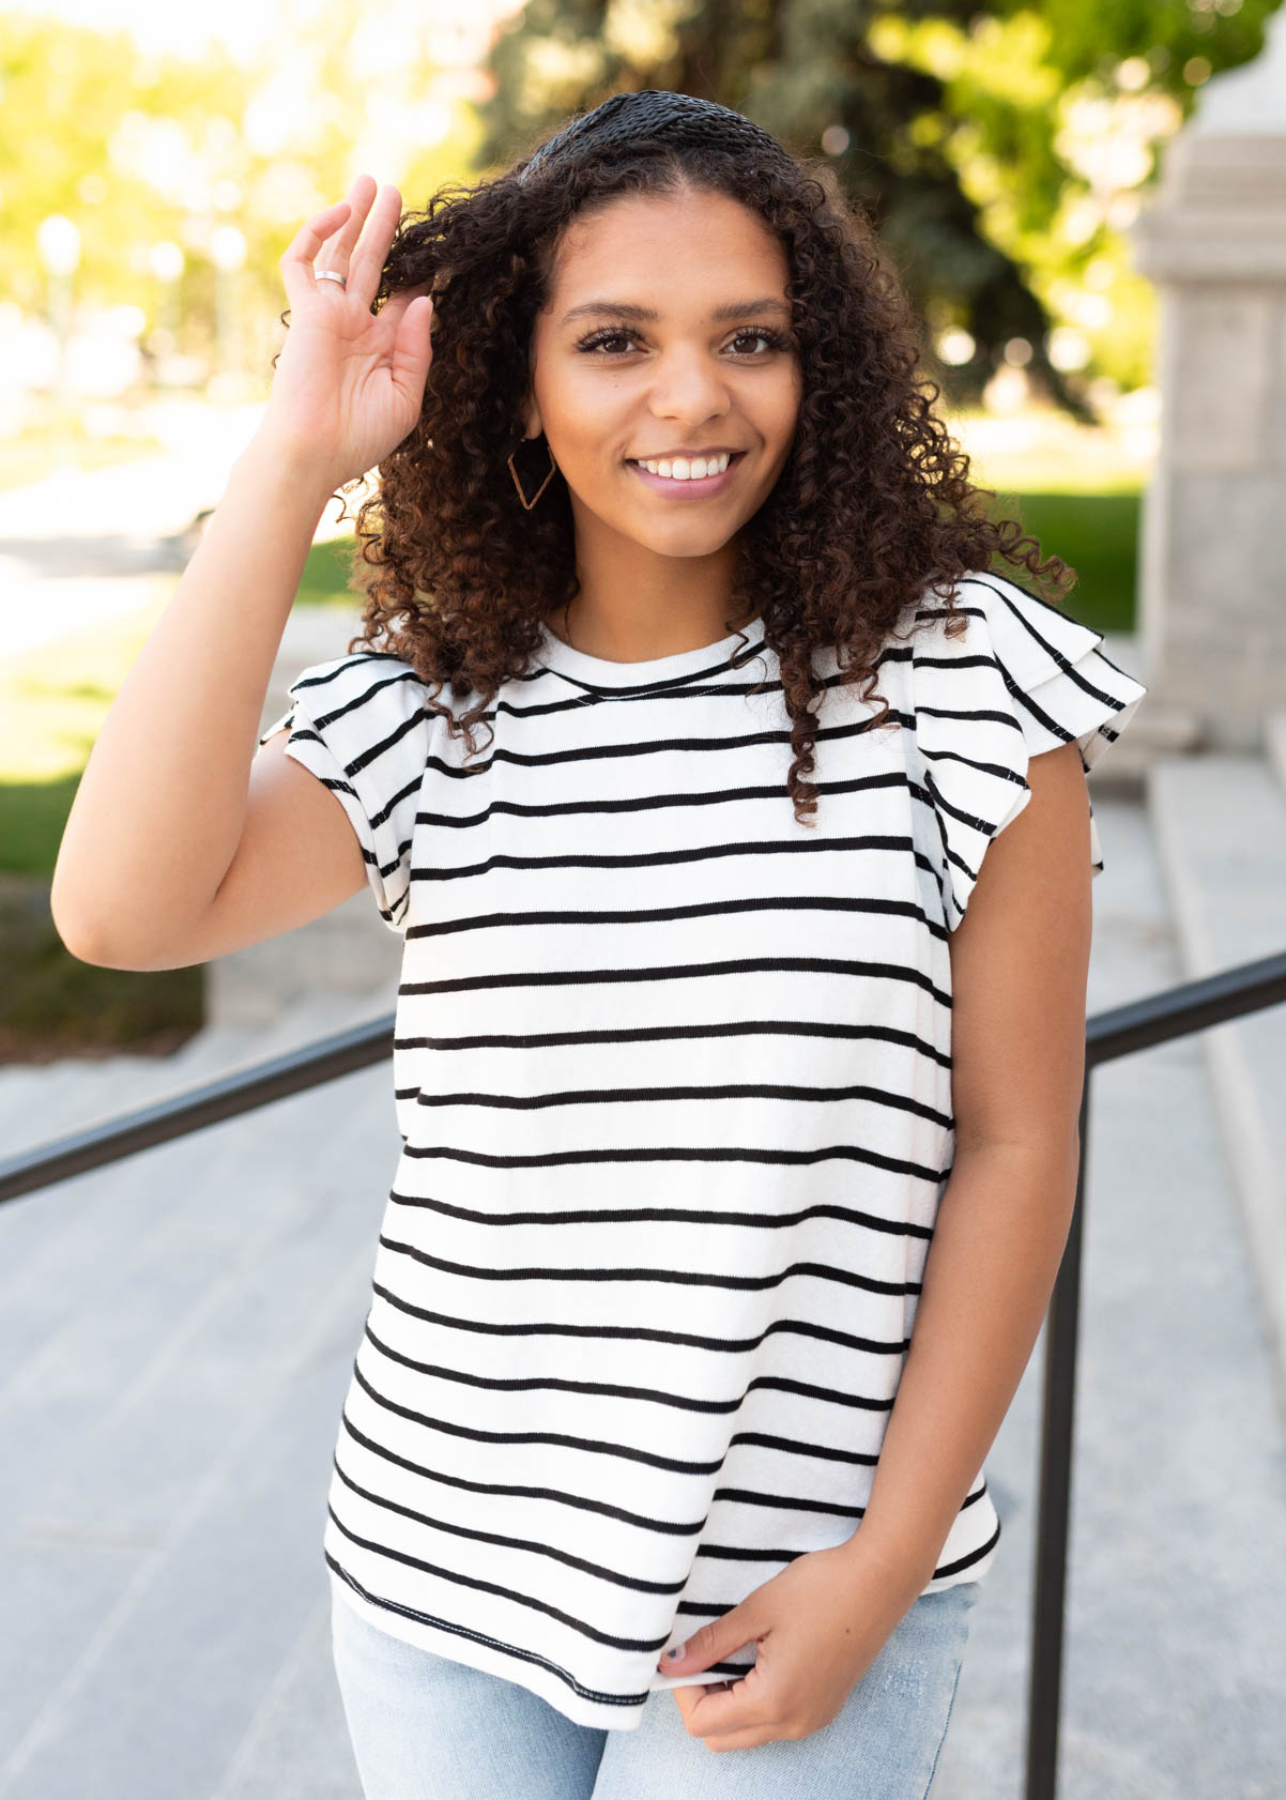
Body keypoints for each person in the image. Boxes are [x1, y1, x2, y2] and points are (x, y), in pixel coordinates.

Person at [51, 90, 1147, 1800]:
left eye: (750, 337)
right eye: (615, 340)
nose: (691, 395)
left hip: (798, 1594)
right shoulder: (437, 706)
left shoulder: (956, 683)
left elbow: (1017, 1143)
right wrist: (288, 459)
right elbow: (118, 911)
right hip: (436, 1573)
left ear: (820, 367)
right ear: (522, 383)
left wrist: (882, 1564)